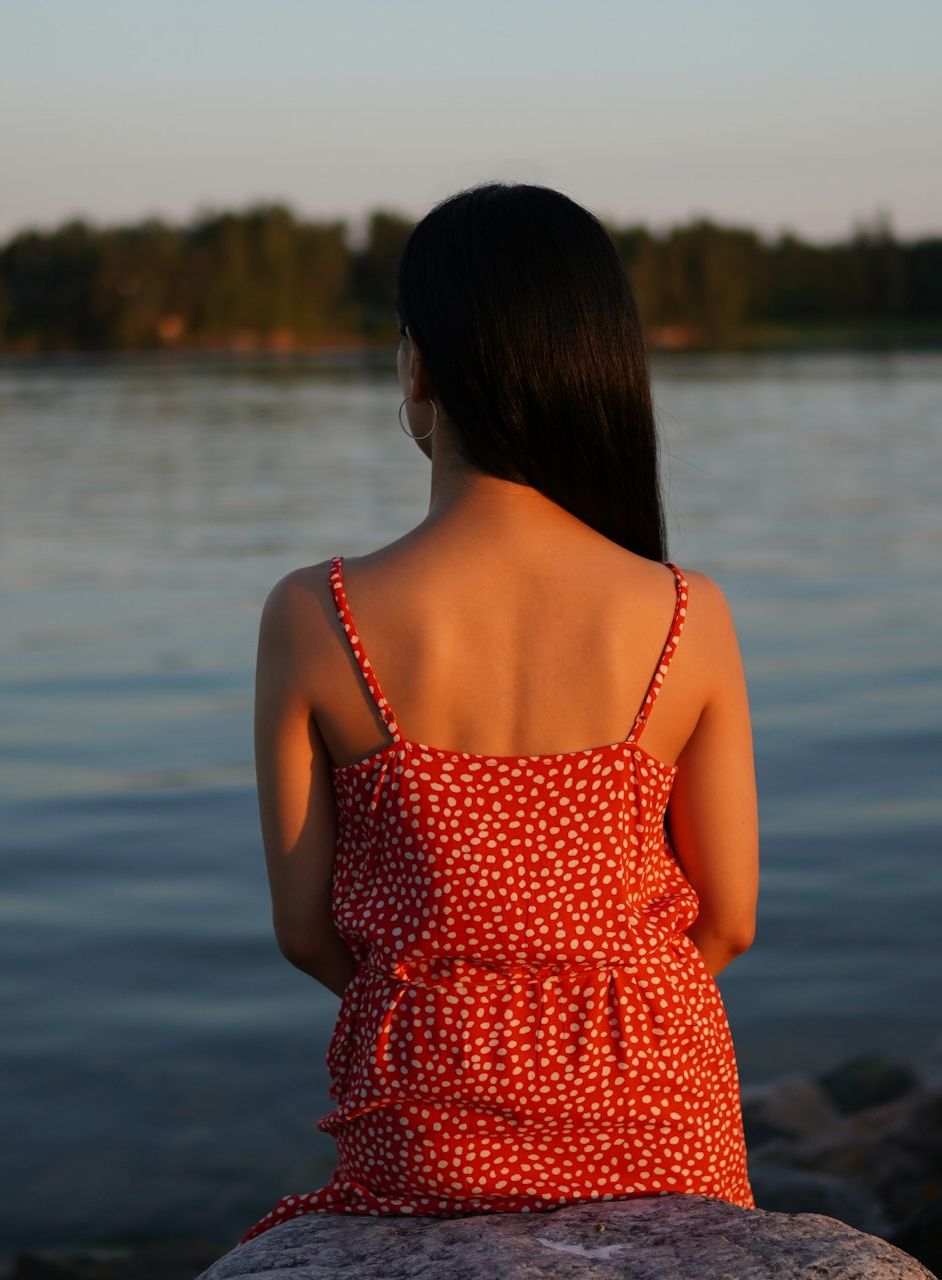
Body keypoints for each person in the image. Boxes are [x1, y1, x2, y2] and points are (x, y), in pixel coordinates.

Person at [239, 183, 759, 1243]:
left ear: (420, 365)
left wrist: (458, 1015)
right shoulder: (685, 614)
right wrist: (590, 1021)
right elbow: (729, 918)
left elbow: (304, 931)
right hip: (660, 1114)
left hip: (429, 1118)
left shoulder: (314, 612)